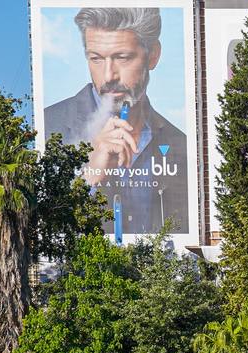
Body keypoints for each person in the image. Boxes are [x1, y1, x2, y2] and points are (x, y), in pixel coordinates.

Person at [42, 7, 189, 236]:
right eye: (96, 59)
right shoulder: (49, 126)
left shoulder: (181, 143)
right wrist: (88, 178)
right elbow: (43, 230)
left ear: (153, 55)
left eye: (122, 57)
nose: (109, 75)